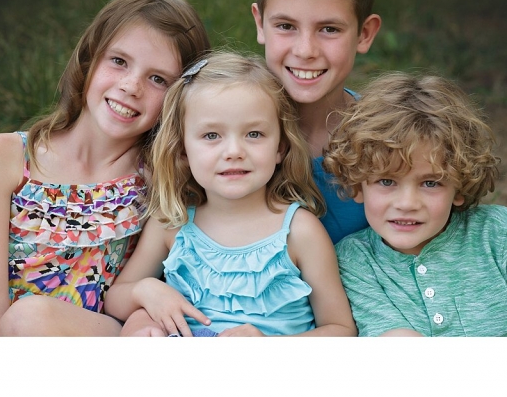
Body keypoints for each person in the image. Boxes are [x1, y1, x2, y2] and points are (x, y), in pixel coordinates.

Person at [0, 0, 211, 336]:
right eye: (119, 61)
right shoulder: (4, 158)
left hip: (83, 333)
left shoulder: (160, 179)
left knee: (31, 317)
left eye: (158, 79)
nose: (131, 86)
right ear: (89, 59)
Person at [105, 51, 356, 337]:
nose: (234, 152)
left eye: (254, 134)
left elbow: (341, 329)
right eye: (212, 136)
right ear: (183, 151)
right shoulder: (172, 223)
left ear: (280, 148)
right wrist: (145, 292)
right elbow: (115, 300)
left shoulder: (300, 232)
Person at [323, 72, 507, 337]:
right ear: (357, 185)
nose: (407, 203)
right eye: (386, 181)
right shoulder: (353, 259)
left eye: (430, 183)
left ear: (459, 187)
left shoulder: (499, 231)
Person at [251, 0, 382, 244]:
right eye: (285, 26)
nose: (305, 50)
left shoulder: (389, 140)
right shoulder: (226, 134)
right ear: (260, 24)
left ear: (364, 34)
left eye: (329, 29)